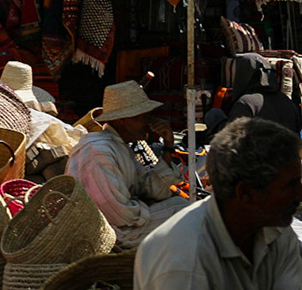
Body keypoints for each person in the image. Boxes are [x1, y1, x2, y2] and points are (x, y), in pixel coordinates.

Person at [135, 117, 302, 290]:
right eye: (290, 185)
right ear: (245, 192)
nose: (299, 195)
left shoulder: (275, 232)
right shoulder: (185, 261)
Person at [65, 80, 182, 249]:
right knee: (186, 214)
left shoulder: (120, 146)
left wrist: (168, 146)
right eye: (140, 118)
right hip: (107, 234)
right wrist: (145, 205)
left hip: (122, 227)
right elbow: (119, 214)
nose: (148, 123)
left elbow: (154, 189)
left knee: (185, 208)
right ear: (120, 121)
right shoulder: (98, 150)